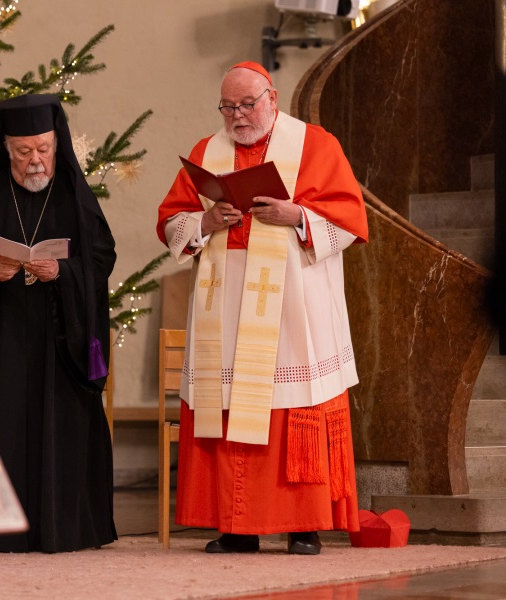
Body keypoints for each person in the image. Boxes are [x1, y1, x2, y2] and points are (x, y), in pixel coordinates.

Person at [156, 62, 369, 555]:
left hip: (293, 305)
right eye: (228, 107)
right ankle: (236, 528)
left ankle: (304, 525)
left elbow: (350, 220)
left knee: (294, 408)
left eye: (247, 105)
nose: (237, 116)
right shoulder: (207, 152)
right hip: (226, 308)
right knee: (227, 408)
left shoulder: (316, 145)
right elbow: (170, 223)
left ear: (272, 98)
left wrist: (297, 215)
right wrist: (207, 221)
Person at [0, 94, 117, 553]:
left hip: (61, 338)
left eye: (43, 148)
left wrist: (64, 273)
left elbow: (102, 258)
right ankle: (0, 529)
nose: (35, 160)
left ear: (57, 145)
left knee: (62, 428)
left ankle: (68, 527)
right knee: (6, 425)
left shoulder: (74, 195)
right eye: (24, 151)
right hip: (5, 335)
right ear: (6, 149)